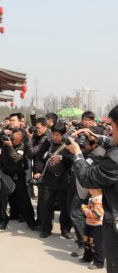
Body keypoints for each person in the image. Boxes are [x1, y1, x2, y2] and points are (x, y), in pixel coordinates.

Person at [66, 104, 118, 273]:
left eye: (112, 127)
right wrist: (97, 136)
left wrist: (77, 154)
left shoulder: (115, 160)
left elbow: (87, 178)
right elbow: (112, 142)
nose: (110, 131)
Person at [33, 122, 73, 239]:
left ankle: (65, 229)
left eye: (57, 135)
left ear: (64, 134)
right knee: (46, 205)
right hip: (49, 178)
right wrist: (37, 171)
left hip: (63, 179)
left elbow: (73, 159)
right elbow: (40, 157)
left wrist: (62, 158)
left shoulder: (69, 143)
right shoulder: (48, 142)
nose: (55, 137)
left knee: (65, 206)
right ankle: (46, 229)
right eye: (53, 134)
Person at [0, 128, 37, 230]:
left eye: (16, 138)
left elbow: (16, 158)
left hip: (18, 175)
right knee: (3, 199)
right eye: (12, 136)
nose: (13, 139)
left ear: (21, 138)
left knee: (24, 198)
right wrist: (2, 132)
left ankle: (31, 222)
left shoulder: (22, 146)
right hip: (5, 174)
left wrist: (10, 146)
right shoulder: (6, 141)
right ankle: (4, 220)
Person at [80, 188, 104, 269]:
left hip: (97, 226)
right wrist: (86, 208)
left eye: (89, 188)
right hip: (89, 224)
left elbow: (97, 214)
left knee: (97, 245)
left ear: (94, 189)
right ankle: (87, 257)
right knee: (87, 241)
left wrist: (85, 210)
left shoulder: (99, 200)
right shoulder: (93, 198)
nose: (88, 190)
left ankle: (98, 262)